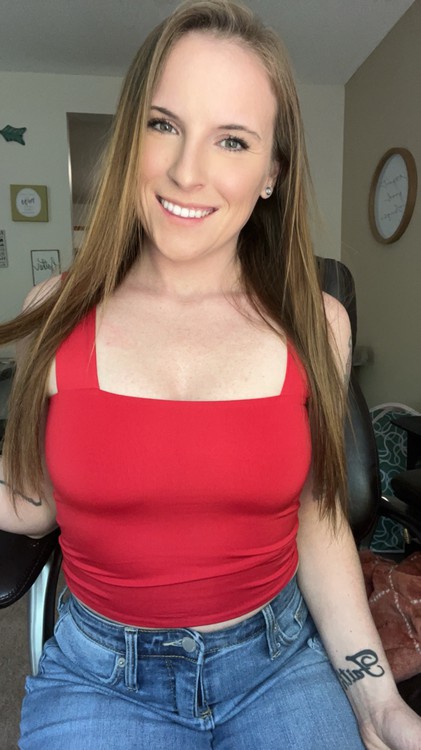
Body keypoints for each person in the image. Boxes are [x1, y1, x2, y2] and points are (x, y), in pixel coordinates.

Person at [0, 1, 420, 748]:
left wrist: (378, 700)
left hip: (277, 664)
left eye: (232, 140)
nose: (187, 171)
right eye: (163, 125)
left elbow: (319, 519)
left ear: (271, 172)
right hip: (101, 676)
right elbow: (31, 505)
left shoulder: (317, 325)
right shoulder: (54, 314)